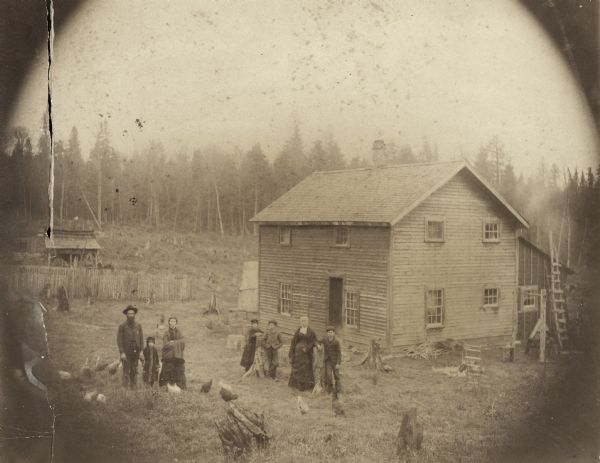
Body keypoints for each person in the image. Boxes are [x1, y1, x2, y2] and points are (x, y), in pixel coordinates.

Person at [116, 305, 144, 388]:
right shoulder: (122, 326)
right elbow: (119, 340)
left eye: (132, 313)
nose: (131, 315)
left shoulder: (138, 325)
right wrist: (122, 352)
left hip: (136, 350)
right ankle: (125, 387)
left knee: (134, 368)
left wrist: (141, 351)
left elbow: (141, 339)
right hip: (126, 351)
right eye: (129, 313)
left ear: (134, 314)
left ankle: (133, 385)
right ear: (126, 315)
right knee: (126, 369)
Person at [288, 316, 317, 391]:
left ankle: (305, 386)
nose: (303, 322)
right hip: (298, 352)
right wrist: (292, 352)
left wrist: (307, 348)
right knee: (297, 367)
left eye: (305, 321)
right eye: (302, 321)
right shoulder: (298, 330)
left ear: (308, 322)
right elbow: (294, 342)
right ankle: (296, 385)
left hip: (306, 353)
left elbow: (313, 341)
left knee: (306, 366)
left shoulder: (311, 331)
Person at [159, 316, 186, 389]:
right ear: (169, 322)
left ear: (176, 323)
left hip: (177, 355)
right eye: (171, 321)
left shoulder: (179, 332)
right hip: (169, 355)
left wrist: (173, 342)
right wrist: (176, 343)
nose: (172, 323)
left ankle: (179, 386)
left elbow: (183, 342)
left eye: (174, 321)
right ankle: (166, 386)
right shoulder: (166, 333)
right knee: (168, 369)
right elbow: (166, 344)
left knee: (178, 370)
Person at [321, 326, 342, 394]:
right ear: (327, 333)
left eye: (331, 332)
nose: (330, 334)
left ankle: (338, 389)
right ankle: (330, 388)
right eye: (328, 332)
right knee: (328, 374)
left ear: (334, 333)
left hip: (335, 361)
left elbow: (339, 353)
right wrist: (317, 345)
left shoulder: (336, 341)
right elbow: (318, 341)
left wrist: (338, 363)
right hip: (328, 360)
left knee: (336, 375)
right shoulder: (325, 339)